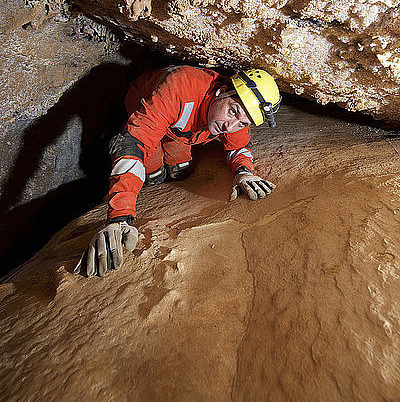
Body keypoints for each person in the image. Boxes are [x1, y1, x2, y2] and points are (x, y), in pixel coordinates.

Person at [74, 65, 281, 277]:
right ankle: (154, 179)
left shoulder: (233, 116)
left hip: (183, 129)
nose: (230, 126)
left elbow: (239, 146)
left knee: (179, 166)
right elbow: (133, 145)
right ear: (221, 91)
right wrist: (119, 217)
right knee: (151, 170)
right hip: (151, 109)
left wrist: (244, 172)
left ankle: (169, 171)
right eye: (232, 111)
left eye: (241, 123)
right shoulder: (180, 87)